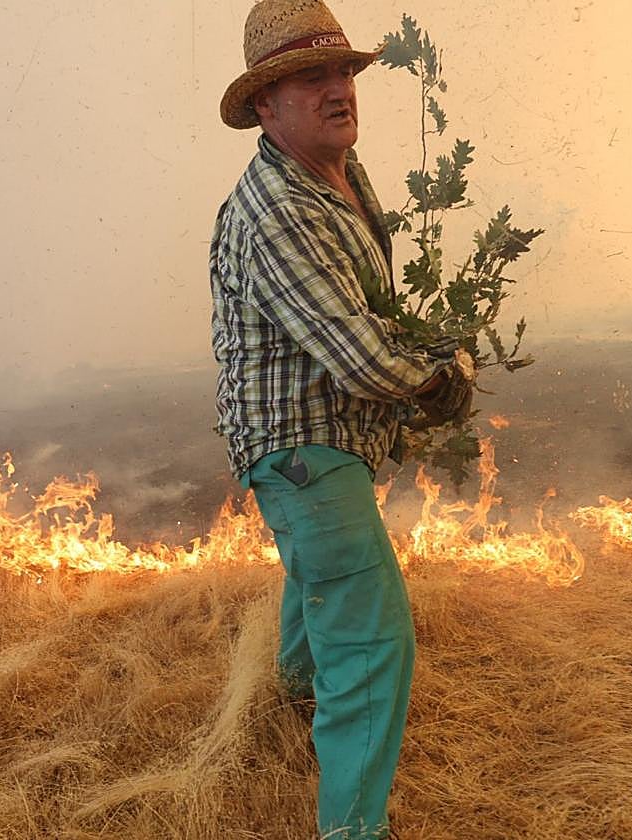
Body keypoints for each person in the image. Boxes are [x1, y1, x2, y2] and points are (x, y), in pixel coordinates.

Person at [209, 1, 463, 837]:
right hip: (301, 451)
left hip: (314, 448)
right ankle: (353, 829)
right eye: (309, 77)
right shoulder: (277, 207)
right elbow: (356, 353)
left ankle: (288, 709)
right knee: (371, 638)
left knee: (323, 583)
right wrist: (435, 379)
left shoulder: (338, 175)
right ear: (265, 104)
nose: (337, 89)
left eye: (343, 71)